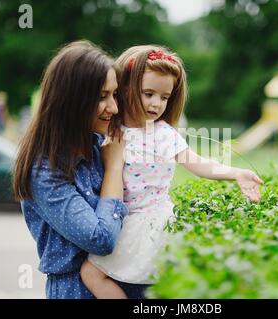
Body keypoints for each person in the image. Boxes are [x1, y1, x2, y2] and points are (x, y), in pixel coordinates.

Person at [80, 45, 264, 299]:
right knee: (96, 275)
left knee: (94, 273)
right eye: (148, 93)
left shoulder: (163, 134)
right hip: (121, 222)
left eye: (164, 97)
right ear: (125, 88)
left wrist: (235, 173)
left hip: (147, 222)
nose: (157, 104)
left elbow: (197, 163)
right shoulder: (110, 128)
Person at [12, 40, 147, 299]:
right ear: (71, 101)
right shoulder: (45, 170)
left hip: (125, 282)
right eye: (102, 97)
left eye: (114, 94)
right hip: (78, 290)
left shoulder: (100, 144)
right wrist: (114, 167)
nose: (114, 108)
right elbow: (101, 239)